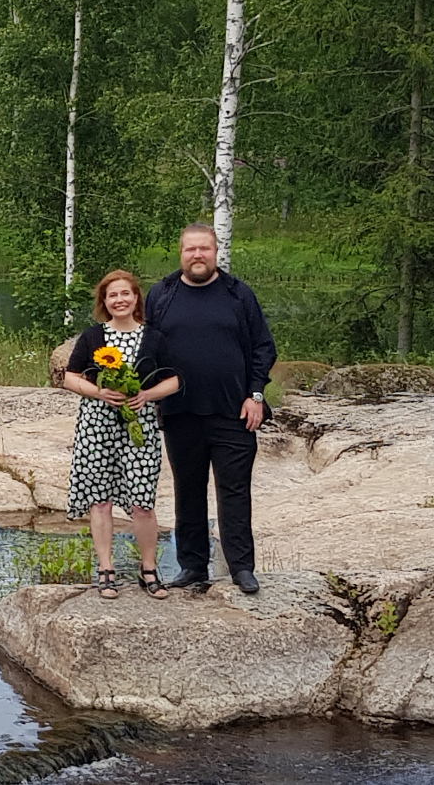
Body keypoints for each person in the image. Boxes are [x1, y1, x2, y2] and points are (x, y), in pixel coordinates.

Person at [145, 223, 276, 595]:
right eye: (190, 250)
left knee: (234, 492)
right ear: (181, 253)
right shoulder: (162, 294)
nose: (197, 255)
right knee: (188, 491)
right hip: (179, 412)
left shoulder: (238, 295)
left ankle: (241, 568)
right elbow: (146, 348)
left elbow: (263, 348)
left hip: (233, 412)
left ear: (215, 252)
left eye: (204, 249)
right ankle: (192, 566)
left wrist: (256, 395)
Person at [62, 270, 179, 599]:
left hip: (138, 428)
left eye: (125, 294)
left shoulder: (153, 338)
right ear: (104, 302)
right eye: (112, 296)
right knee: (100, 501)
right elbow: (70, 377)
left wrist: (146, 395)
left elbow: (174, 380)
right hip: (97, 426)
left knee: (143, 502)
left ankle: (148, 568)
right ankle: (105, 569)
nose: (120, 300)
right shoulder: (92, 337)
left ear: (136, 298)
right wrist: (98, 392)